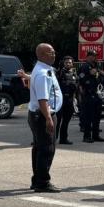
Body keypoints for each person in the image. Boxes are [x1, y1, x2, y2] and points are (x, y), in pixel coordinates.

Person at [27, 42, 63, 192]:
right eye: (50, 52)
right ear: (41, 55)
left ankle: (37, 180)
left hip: (38, 114)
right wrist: (48, 118)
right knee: (47, 149)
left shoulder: (44, 69)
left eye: (54, 52)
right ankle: (42, 182)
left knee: (39, 148)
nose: (54, 54)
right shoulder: (42, 73)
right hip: (43, 115)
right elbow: (43, 99)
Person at [77, 50, 104, 142]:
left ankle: (96, 135)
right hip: (88, 94)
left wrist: (99, 73)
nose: (95, 57)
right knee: (88, 117)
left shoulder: (96, 66)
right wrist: (89, 74)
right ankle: (87, 136)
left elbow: (101, 77)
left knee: (97, 116)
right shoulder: (84, 67)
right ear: (88, 57)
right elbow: (81, 80)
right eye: (93, 55)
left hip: (97, 94)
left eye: (95, 56)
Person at [55, 55, 78, 145]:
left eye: (70, 62)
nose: (68, 64)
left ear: (72, 64)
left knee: (66, 121)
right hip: (61, 100)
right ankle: (53, 139)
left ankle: (63, 139)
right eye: (66, 62)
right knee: (57, 121)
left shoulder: (74, 74)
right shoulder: (59, 73)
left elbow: (77, 85)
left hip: (70, 100)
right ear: (63, 63)